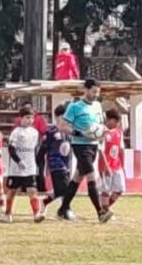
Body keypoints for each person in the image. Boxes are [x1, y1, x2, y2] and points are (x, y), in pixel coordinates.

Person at [58, 78, 114, 223]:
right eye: (94, 91)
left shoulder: (97, 106)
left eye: (98, 92)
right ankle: (100, 212)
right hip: (80, 146)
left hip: (94, 145)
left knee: (77, 177)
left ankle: (62, 209)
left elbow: (99, 125)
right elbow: (63, 126)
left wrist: (104, 131)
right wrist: (80, 133)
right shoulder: (74, 107)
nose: (96, 94)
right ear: (86, 90)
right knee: (91, 176)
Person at [3, 108, 46, 223]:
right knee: (12, 192)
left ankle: (36, 214)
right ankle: (7, 213)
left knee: (32, 190)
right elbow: (11, 150)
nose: (30, 120)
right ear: (21, 118)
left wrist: (36, 162)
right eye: (27, 117)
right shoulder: (16, 132)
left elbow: (36, 149)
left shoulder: (35, 132)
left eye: (32, 118)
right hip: (16, 169)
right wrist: (18, 161)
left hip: (30, 167)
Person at [39, 105, 73, 217]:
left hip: (66, 164)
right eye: (63, 117)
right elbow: (44, 147)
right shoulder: (51, 131)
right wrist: (39, 161)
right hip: (55, 164)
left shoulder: (68, 132)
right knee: (65, 189)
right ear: (57, 118)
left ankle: (45, 201)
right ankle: (65, 211)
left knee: (61, 189)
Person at [99, 109, 125, 212]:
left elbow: (121, 149)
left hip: (117, 165)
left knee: (120, 189)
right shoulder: (104, 134)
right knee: (106, 189)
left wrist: (123, 165)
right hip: (106, 165)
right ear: (111, 120)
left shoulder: (119, 132)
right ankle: (105, 209)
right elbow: (101, 150)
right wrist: (106, 166)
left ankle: (105, 209)